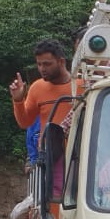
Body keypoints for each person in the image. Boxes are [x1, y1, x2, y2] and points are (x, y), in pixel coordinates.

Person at [11, 40, 75, 196]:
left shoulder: (81, 85)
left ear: (61, 61)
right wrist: (18, 100)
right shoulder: (37, 88)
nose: (42, 69)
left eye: (47, 64)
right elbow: (25, 122)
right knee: (52, 203)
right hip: (50, 157)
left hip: (79, 154)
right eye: (39, 64)